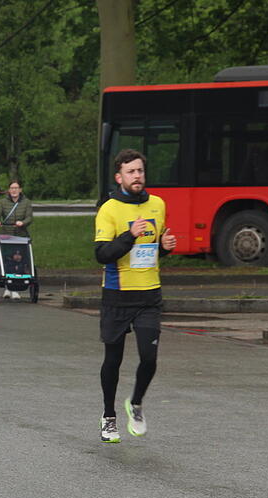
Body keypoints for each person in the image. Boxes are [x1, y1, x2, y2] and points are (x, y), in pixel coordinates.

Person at [95, 149, 176, 443]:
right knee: (112, 360)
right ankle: (108, 416)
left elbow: (154, 250)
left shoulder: (158, 204)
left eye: (140, 171)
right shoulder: (109, 209)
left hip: (149, 295)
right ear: (120, 177)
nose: (137, 176)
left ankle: (136, 403)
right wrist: (128, 235)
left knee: (150, 357)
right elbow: (101, 255)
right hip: (117, 295)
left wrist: (165, 246)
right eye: (131, 172)